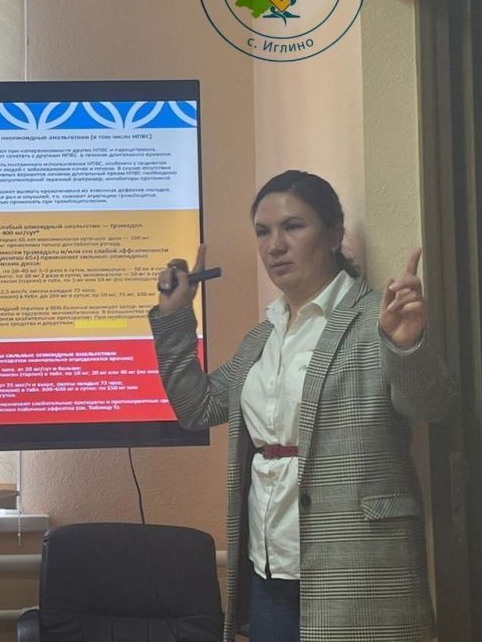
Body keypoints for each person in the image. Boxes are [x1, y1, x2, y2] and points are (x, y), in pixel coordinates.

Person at [148, 170, 456, 642]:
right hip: (269, 566)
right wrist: (174, 318)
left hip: (359, 566)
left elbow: (431, 406)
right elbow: (198, 408)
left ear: (334, 235)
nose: (275, 246)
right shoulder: (264, 336)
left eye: (293, 227)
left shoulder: (378, 317)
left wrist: (406, 346)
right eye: (263, 231)